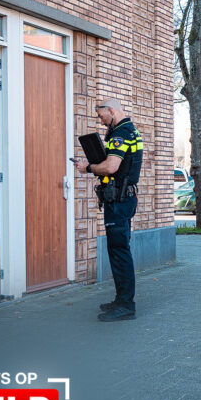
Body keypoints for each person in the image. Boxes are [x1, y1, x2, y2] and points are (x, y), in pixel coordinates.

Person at [75, 98, 143, 321]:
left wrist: (88, 167)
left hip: (119, 201)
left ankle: (126, 305)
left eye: (101, 116)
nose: (101, 121)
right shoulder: (128, 131)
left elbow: (111, 167)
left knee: (119, 250)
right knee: (118, 249)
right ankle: (121, 300)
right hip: (122, 199)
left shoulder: (121, 133)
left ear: (111, 110)